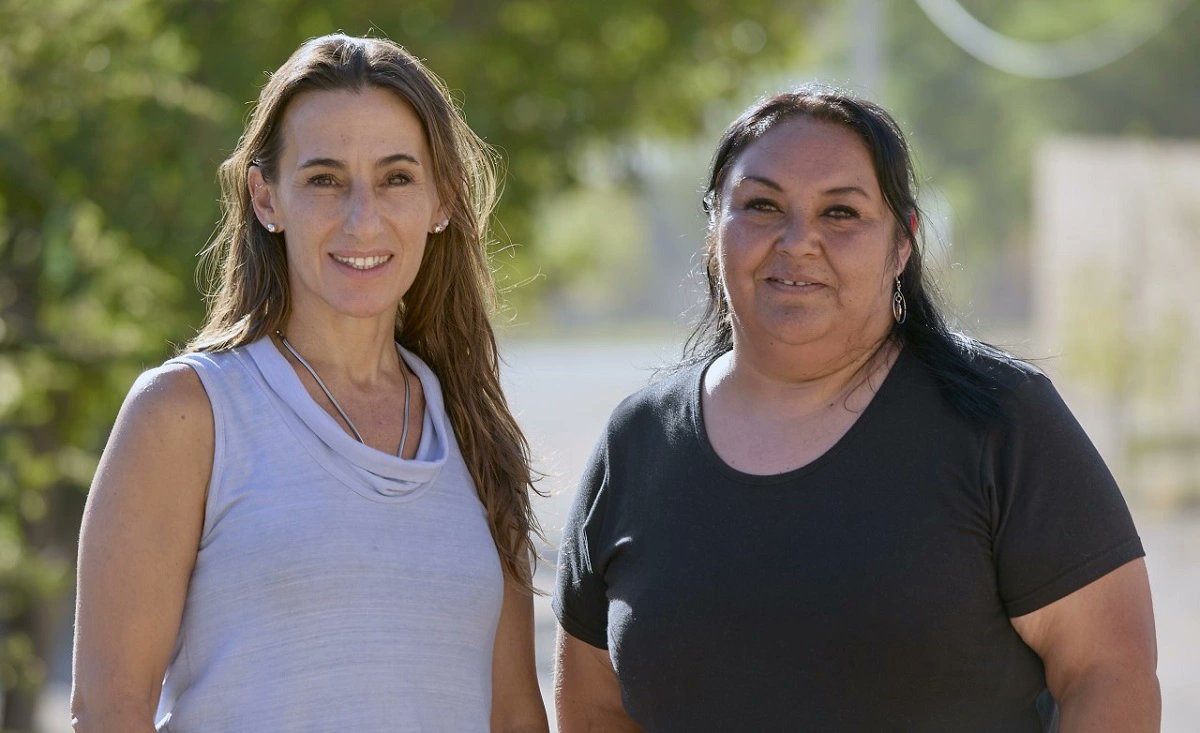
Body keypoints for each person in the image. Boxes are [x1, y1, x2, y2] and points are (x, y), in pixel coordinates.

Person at [552, 87, 1159, 731]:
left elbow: (1108, 672)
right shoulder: (637, 443)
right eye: (761, 205)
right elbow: (592, 706)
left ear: (902, 244)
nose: (798, 241)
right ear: (714, 228)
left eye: (841, 213)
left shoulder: (999, 420)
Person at [71, 34, 548, 733]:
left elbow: (513, 716)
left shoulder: (474, 430)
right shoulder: (185, 414)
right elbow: (109, 712)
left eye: (396, 178)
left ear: (442, 199)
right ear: (267, 197)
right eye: (324, 178)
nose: (362, 218)